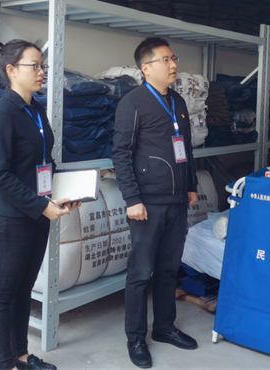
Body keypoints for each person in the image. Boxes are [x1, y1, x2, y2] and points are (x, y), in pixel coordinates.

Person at [0, 40, 82, 370]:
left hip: (38, 211)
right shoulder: (1, 114)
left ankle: (21, 355)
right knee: (2, 294)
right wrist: (40, 206)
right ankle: (4, 364)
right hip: (11, 217)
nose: (41, 72)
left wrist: (60, 195)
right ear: (11, 70)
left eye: (43, 66)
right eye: (35, 66)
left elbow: (43, 162)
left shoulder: (36, 110)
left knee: (23, 288)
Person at [112, 37, 199, 368]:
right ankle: (135, 338)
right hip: (147, 203)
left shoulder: (178, 101)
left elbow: (186, 147)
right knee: (140, 272)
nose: (173, 64)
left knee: (168, 268)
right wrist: (132, 198)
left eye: (174, 58)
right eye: (165, 59)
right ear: (146, 67)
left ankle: (164, 327)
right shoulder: (133, 103)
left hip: (176, 200)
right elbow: (121, 154)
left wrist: (190, 185)